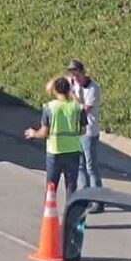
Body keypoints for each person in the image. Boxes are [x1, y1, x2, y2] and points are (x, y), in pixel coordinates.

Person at [25, 76, 83, 197]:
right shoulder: (77, 108)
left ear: (55, 90)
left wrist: (33, 133)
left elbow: (44, 132)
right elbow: (83, 130)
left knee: (51, 188)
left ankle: (49, 214)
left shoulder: (50, 108)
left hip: (55, 152)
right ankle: (71, 215)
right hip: (73, 151)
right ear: (69, 90)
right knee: (72, 188)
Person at [66, 59, 103, 211]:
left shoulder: (93, 88)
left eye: (77, 75)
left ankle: (99, 200)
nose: (75, 79)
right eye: (73, 76)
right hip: (77, 131)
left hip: (89, 132)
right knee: (80, 166)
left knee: (91, 167)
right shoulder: (73, 83)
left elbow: (84, 111)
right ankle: (86, 195)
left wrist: (74, 95)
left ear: (83, 72)